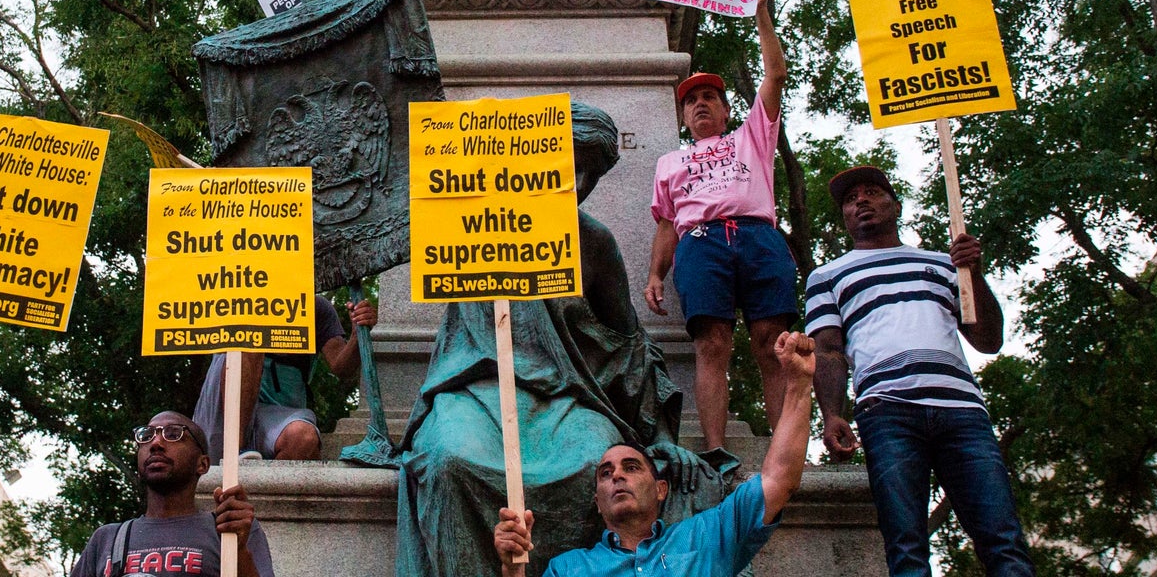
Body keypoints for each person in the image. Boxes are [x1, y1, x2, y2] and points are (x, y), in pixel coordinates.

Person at [393, 104, 724, 577]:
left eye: (585, 174)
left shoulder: (593, 241)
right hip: (476, 389)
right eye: (566, 168)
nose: (576, 184)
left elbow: (628, 345)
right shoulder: (465, 224)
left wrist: (662, 437)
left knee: (594, 460)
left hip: (567, 398)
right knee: (449, 459)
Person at [808, 166, 1034, 577]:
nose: (860, 201)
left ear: (895, 206)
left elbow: (988, 339)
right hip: (886, 413)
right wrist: (833, 414)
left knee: (1003, 540)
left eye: (872, 192)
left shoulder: (944, 263)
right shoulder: (827, 275)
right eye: (850, 199)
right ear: (843, 217)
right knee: (906, 547)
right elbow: (827, 350)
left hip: (962, 412)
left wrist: (973, 274)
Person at [492, 332, 817, 577]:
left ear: (661, 489)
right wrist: (512, 568)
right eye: (605, 473)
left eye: (631, 467)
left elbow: (778, 479)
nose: (616, 475)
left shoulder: (706, 536)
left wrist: (799, 383)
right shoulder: (568, 568)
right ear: (597, 501)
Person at [644, 0, 796, 464]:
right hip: (701, 242)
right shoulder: (670, 162)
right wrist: (654, 274)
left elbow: (775, 76)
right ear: (684, 118)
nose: (700, 103)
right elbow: (667, 223)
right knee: (711, 342)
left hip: (757, 237)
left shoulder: (753, 136)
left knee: (773, 343)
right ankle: (713, 449)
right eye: (691, 100)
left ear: (728, 110)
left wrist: (761, 14)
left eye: (709, 97)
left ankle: (784, 447)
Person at [69, 410, 275, 577]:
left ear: (202, 464)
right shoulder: (106, 539)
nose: (156, 443)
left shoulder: (229, 527)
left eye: (174, 434)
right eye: (146, 436)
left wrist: (239, 552)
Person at [194, 295, 376, 461]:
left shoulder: (316, 307)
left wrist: (357, 333)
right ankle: (235, 451)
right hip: (222, 414)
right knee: (249, 334)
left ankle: (262, 494)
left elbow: (342, 367)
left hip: (276, 416)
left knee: (303, 439)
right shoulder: (231, 294)